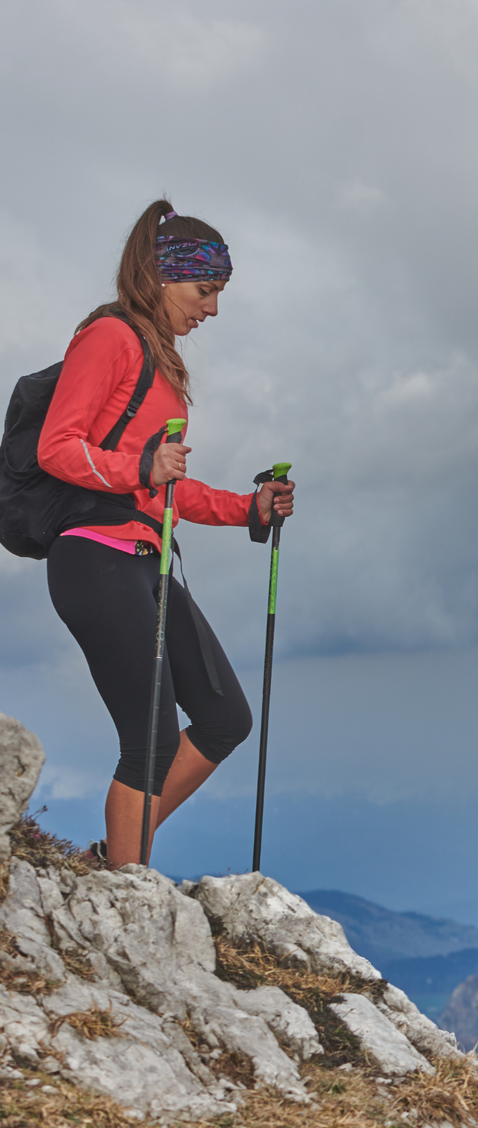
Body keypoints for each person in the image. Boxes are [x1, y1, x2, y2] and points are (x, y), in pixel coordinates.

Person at [37, 199, 296, 866]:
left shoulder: (163, 366)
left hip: (144, 557)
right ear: (161, 277)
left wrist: (250, 508)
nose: (212, 309)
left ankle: (112, 859)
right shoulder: (109, 338)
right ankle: (127, 887)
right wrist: (139, 465)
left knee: (225, 718)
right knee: (148, 742)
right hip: (92, 556)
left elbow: (164, 490)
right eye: (205, 290)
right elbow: (55, 446)